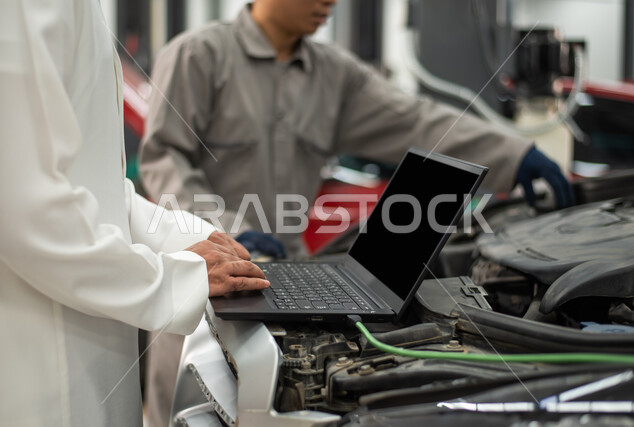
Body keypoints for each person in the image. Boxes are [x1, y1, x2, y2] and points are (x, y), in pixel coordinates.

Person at [138, 0, 574, 424]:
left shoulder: (334, 76)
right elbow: (165, 160)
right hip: (202, 278)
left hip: (283, 273)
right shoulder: (198, 55)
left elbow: (418, 121)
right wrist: (230, 231)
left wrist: (516, 155)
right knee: (185, 410)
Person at [0, 1, 269, 426]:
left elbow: (98, 190)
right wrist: (181, 280)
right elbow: (23, 212)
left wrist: (202, 242)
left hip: (92, 356)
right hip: (46, 381)